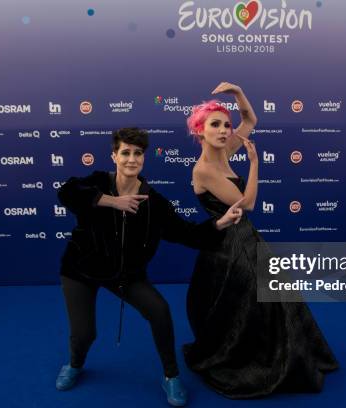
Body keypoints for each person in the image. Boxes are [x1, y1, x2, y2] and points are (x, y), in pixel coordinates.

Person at [56, 127, 243, 407]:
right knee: (85, 334)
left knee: (160, 312)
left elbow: (188, 234)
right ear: (114, 156)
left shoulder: (154, 203)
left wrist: (221, 222)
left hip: (124, 275)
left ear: (143, 158)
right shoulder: (96, 182)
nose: (131, 159)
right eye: (125, 153)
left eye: (138, 154)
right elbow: (67, 192)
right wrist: (112, 202)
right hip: (80, 270)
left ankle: (170, 376)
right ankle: (74, 364)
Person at [184, 83, 339, 398]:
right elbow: (247, 204)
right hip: (230, 247)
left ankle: (278, 353)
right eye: (216, 124)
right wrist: (255, 164)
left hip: (245, 238)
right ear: (199, 130)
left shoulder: (226, 151)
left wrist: (238, 93)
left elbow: (250, 121)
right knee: (253, 302)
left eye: (226, 124)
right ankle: (255, 360)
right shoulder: (204, 169)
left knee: (274, 298)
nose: (226, 129)